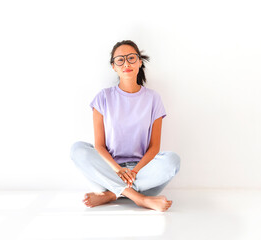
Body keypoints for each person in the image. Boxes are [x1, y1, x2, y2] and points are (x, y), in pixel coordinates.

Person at [70, 40, 181, 212]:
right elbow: (99, 145)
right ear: (114, 66)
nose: (126, 63)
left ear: (139, 62)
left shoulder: (153, 98)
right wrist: (119, 170)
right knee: (77, 149)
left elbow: (154, 147)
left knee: (172, 160)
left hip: (142, 171)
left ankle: (111, 195)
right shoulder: (103, 97)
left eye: (131, 58)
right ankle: (140, 198)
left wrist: (134, 171)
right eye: (120, 60)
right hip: (109, 169)